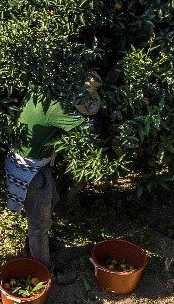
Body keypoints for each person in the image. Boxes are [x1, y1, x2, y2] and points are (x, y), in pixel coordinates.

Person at [6, 76, 105, 275]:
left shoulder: (43, 87)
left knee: (50, 203)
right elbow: (91, 128)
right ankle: (43, 270)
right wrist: (96, 113)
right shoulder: (56, 107)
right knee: (39, 225)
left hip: (33, 163)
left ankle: (34, 246)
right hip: (31, 170)